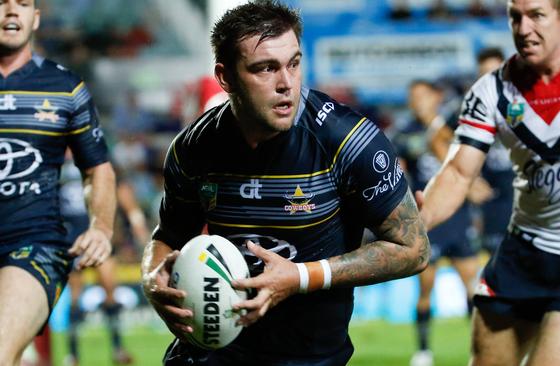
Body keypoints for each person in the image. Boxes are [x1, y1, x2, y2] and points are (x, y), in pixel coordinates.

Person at [140, 1, 430, 365]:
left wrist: (300, 277)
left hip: (308, 357)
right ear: (225, 77)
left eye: (293, 63)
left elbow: (413, 249)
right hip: (208, 354)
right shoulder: (193, 148)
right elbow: (167, 236)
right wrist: (152, 281)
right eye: (265, 68)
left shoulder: (348, 141)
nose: (286, 84)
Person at [417, 0, 560, 365]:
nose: (524, 28)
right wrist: (418, 222)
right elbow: (459, 172)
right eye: (515, 17)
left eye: (537, 15)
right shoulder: (491, 91)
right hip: (522, 255)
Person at [0, 0, 116, 365]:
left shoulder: (65, 87)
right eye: (2, 2)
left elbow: (97, 168)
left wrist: (101, 227)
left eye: (22, 3)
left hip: (34, 245)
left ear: (35, 18)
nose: (11, 11)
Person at [393, 80, 480, 366]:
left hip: (458, 217)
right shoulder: (405, 134)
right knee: (425, 289)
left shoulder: (454, 128)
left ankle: (477, 348)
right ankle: (423, 351)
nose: (417, 102)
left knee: (473, 287)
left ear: (435, 97)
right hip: (428, 219)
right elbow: (397, 172)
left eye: (422, 96)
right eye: (412, 97)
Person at [59, 153, 147, 366]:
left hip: (98, 234)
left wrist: (135, 218)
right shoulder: (55, 158)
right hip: (70, 237)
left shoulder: (92, 152)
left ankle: (117, 348)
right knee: (74, 297)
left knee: (110, 290)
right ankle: (73, 354)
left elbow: (119, 186)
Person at [473, 47, 516, 255]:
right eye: (484, 75)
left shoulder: (526, 102)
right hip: (494, 204)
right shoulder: (470, 108)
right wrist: (470, 180)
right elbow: (438, 136)